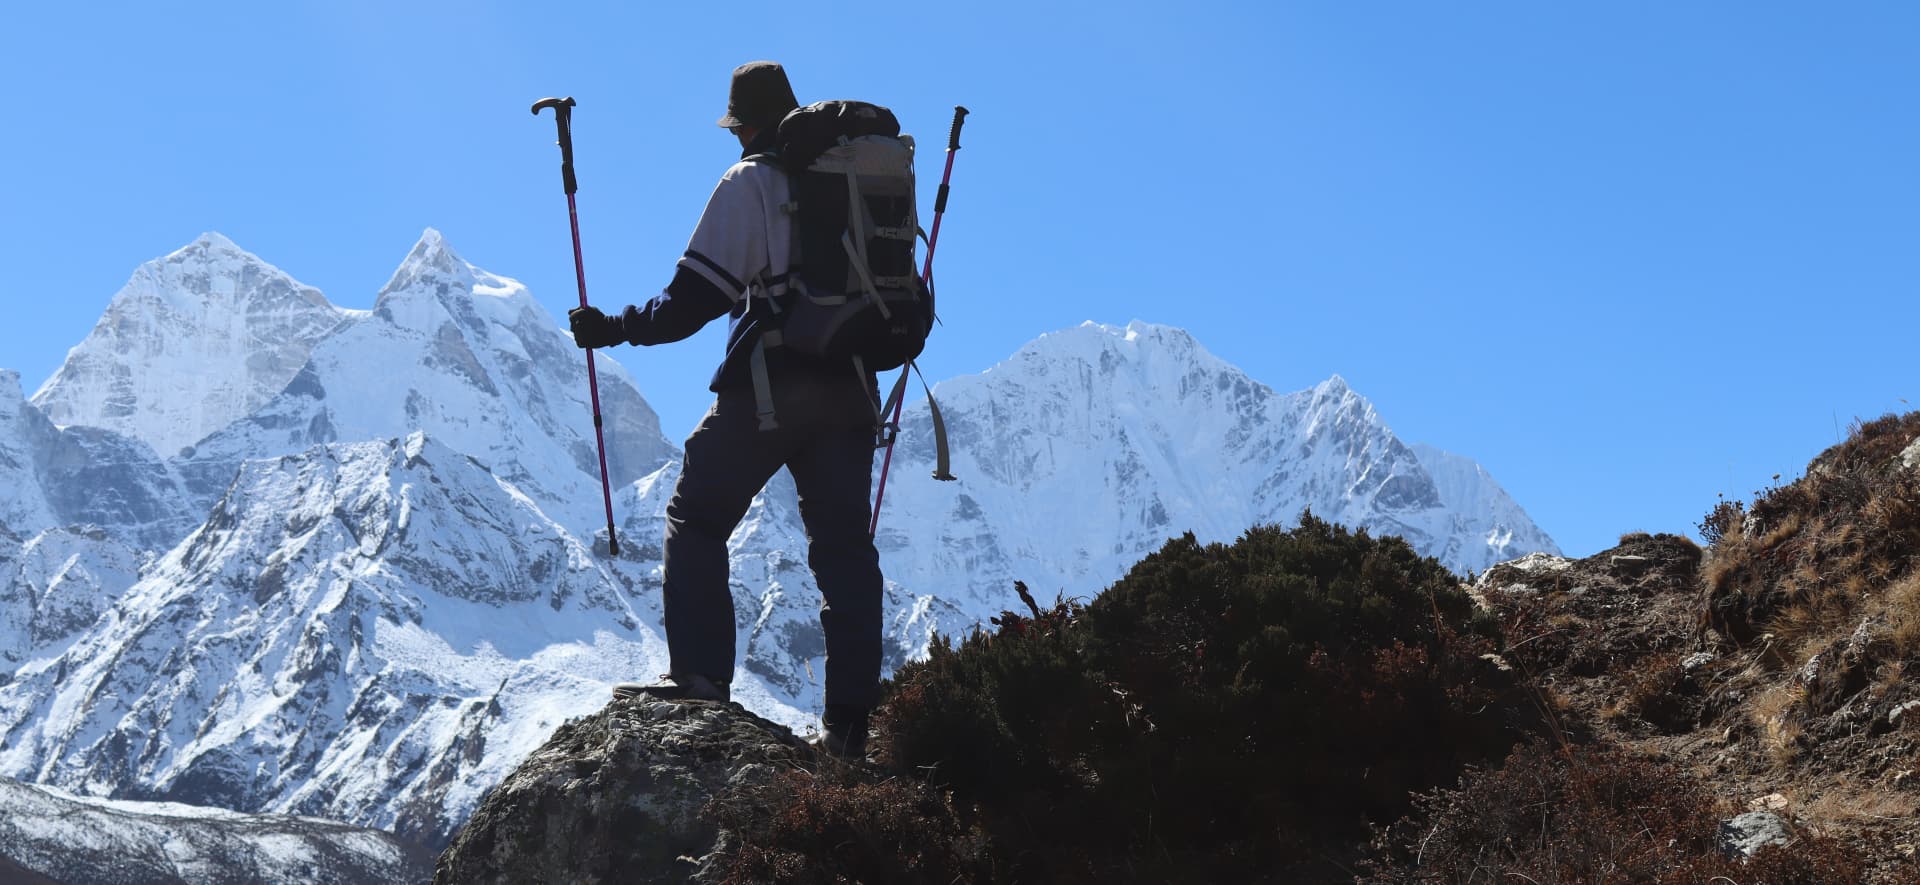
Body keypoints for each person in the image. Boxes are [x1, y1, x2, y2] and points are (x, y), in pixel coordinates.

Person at [567, 61, 883, 757]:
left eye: (735, 128)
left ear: (746, 125)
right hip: (854, 388)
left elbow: (689, 304)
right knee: (844, 552)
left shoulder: (752, 182)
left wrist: (612, 327)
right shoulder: (858, 180)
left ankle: (701, 675)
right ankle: (852, 726)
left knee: (698, 513)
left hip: (771, 387)